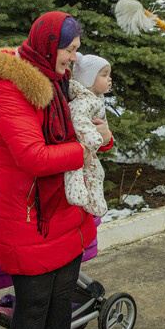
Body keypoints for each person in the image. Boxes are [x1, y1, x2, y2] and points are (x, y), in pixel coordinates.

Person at [0, 12, 112, 329]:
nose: (74, 57)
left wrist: (103, 136)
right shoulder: (10, 90)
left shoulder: (59, 80)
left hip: (65, 210)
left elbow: (86, 129)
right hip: (29, 216)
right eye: (70, 48)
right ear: (49, 47)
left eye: (77, 48)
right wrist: (86, 149)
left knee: (61, 304)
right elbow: (33, 158)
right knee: (34, 307)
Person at [64, 52, 114, 217]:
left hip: (88, 148)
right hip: (78, 147)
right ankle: (76, 195)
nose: (109, 79)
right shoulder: (83, 100)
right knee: (76, 172)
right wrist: (94, 140)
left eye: (109, 75)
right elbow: (78, 119)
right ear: (88, 79)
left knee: (97, 173)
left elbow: (101, 128)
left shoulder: (96, 99)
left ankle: (94, 204)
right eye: (104, 75)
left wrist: (106, 136)